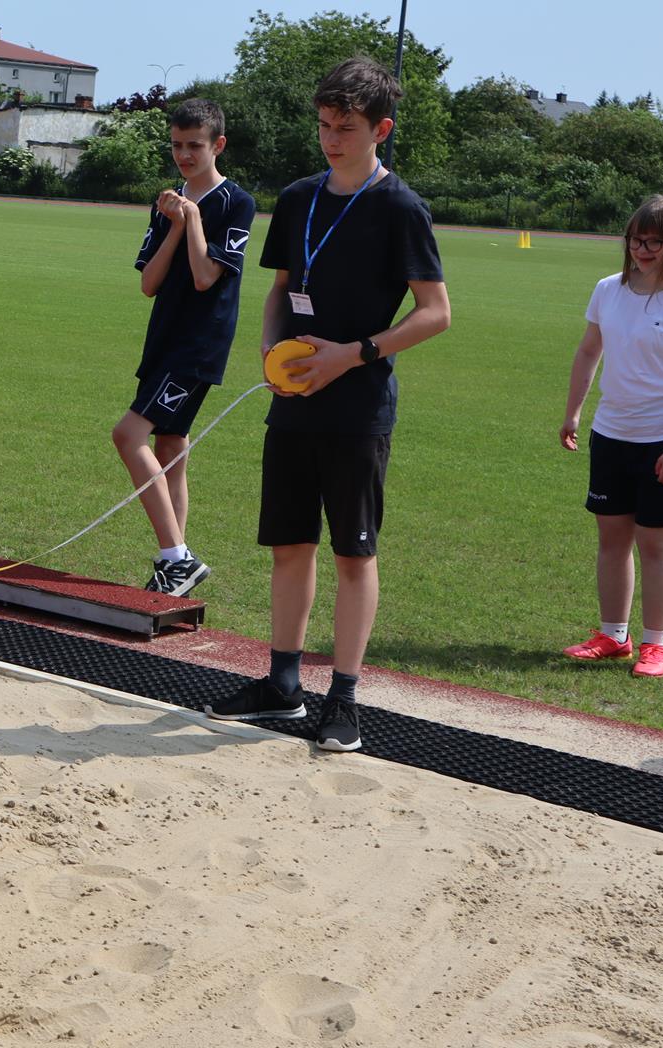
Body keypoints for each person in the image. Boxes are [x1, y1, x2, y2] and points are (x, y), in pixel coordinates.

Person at [201, 57, 450, 754]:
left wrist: (353, 354)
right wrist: (269, 348)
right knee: (289, 545)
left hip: (358, 406)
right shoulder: (299, 196)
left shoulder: (400, 207)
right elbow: (281, 288)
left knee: (352, 554)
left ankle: (343, 698)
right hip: (294, 399)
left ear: (381, 130)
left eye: (346, 128)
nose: (331, 140)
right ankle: (282, 685)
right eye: (323, 126)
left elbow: (436, 313)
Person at [112, 98, 253, 595]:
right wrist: (173, 224)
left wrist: (193, 220)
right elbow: (149, 283)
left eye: (195, 145)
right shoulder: (167, 203)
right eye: (176, 145)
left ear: (218, 145)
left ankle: (177, 557)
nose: (184, 155)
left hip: (198, 345)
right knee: (170, 446)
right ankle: (176, 567)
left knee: (128, 435)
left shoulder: (236, 202)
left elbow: (204, 276)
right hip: (164, 337)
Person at [559, 195, 663, 679]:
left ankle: (656, 644)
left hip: (659, 438)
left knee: (655, 544)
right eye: (636, 240)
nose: (642, 249)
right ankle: (613, 636)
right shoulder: (608, 289)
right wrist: (574, 413)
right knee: (612, 540)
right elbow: (589, 351)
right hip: (611, 433)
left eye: (655, 242)